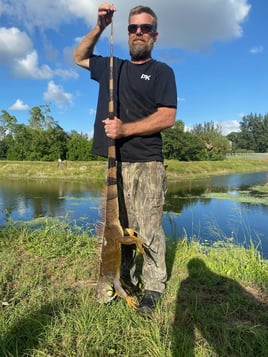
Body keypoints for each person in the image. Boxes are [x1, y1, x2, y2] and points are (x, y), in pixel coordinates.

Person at [73, 3, 177, 314]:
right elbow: (78, 57)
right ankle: (126, 279)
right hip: (114, 163)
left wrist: (125, 128)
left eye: (145, 28)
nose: (138, 33)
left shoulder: (161, 72)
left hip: (146, 163)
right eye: (133, 28)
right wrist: (101, 26)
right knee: (120, 229)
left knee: (147, 229)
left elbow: (168, 116)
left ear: (154, 35)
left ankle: (155, 286)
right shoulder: (111, 66)